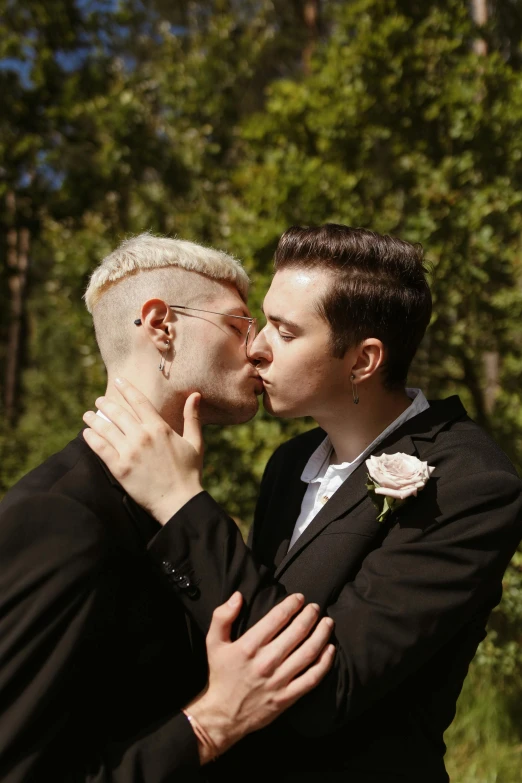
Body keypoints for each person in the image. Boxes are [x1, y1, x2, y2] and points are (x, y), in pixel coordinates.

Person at [84, 225, 522, 783]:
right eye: (263, 320)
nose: (256, 346)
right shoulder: (290, 463)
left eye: (286, 334)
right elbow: (247, 614)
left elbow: (327, 689)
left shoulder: (470, 484)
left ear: (362, 361)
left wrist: (180, 501)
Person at [0, 233, 335, 783]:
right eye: (237, 326)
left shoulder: (178, 504)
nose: (256, 349)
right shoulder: (61, 516)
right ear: (160, 325)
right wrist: (208, 725)